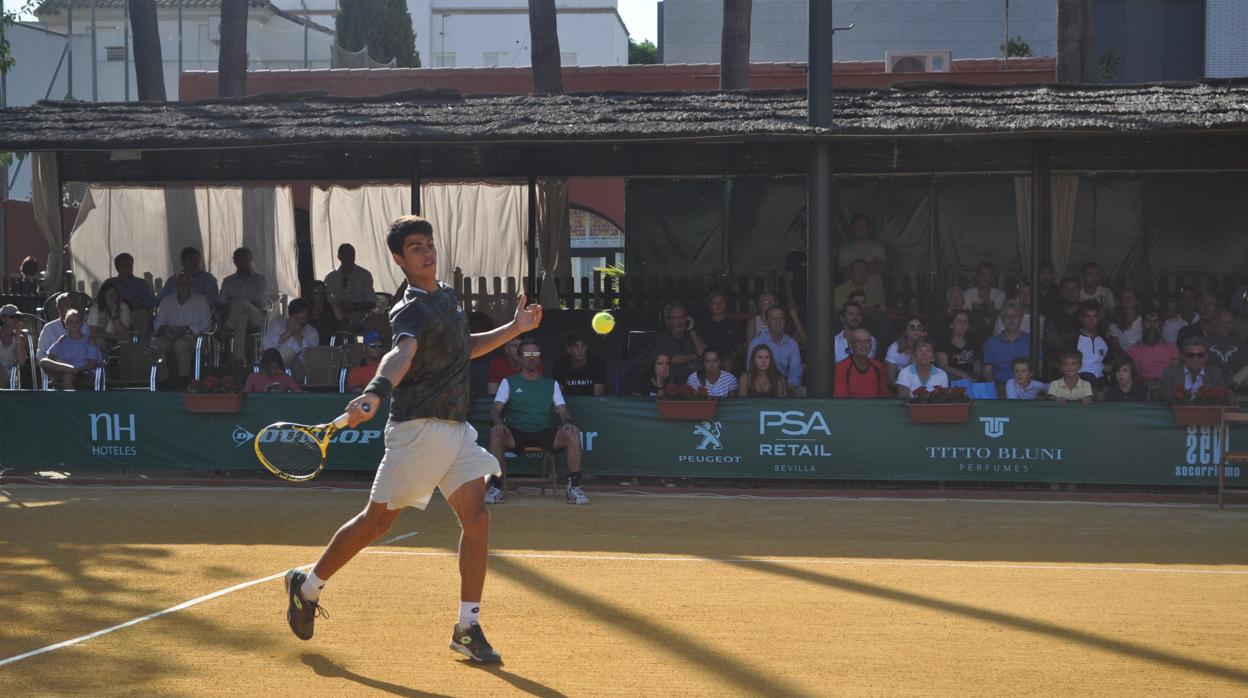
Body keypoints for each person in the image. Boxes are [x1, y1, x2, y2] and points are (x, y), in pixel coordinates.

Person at [282, 215, 544, 665]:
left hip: (456, 430)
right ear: (399, 259)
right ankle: (307, 588)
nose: (427, 252)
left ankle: (467, 628)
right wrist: (375, 391)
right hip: (417, 430)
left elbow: (465, 346)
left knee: (477, 518)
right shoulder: (409, 309)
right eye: (416, 247)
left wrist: (514, 330)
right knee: (376, 523)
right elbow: (400, 355)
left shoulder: (447, 297)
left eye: (429, 243)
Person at [487, 337, 588, 506]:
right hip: (516, 432)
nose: (532, 358)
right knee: (496, 434)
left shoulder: (551, 384)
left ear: (540, 357)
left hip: (545, 431)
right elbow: (495, 410)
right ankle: (496, 488)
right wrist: (498, 424)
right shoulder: (508, 382)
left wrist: (568, 422)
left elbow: (563, 410)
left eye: (535, 354)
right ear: (520, 358)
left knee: (572, 434)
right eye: (527, 355)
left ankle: (574, 488)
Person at [152, 272, 212, 385]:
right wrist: (165, 329)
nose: (185, 286)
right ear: (176, 285)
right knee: (155, 345)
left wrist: (186, 329)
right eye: (182, 283)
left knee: (180, 343)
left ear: (192, 285)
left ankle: (183, 379)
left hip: (193, 337)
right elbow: (158, 322)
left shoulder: (201, 300)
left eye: (188, 283)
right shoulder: (167, 301)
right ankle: (164, 380)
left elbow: (206, 325)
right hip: (170, 335)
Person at [218, 247, 268, 366]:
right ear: (235, 261)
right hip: (237, 318)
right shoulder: (228, 281)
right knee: (242, 318)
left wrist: (238, 305)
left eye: (247, 259)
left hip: (256, 316)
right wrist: (237, 307)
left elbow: (260, 302)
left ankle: (225, 331)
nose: (244, 262)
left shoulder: (259, 279)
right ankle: (239, 360)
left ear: (251, 260)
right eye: (240, 259)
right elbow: (222, 303)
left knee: (240, 302)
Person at [39, 309, 102, 390]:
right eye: (71, 321)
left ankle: (70, 398)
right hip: (62, 370)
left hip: (81, 372)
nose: (74, 324)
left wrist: (78, 370)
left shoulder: (89, 340)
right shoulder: (63, 339)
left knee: (67, 376)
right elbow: (50, 356)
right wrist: (59, 366)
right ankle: (70, 370)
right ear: (66, 324)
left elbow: (92, 363)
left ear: (81, 323)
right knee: (43, 361)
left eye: (77, 321)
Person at [836, 213, 887, 306]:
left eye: (864, 226)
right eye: (858, 226)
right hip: (853, 298)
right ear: (852, 229)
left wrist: (857, 269)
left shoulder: (878, 246)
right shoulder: (845, 249)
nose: (861, 229)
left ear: (868, 228)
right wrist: (872, 266)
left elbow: (882, 267)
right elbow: (845, 272)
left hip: (875, 296)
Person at [747, 305, 803, 390]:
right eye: (773, 319)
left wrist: (789, 386)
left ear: (785, 321)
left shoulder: (792, 344)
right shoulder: (756, 342)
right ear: (767, 322)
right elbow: (750, 369)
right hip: (760, 388)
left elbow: (795, 370)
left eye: (780, 318)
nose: (778, 322)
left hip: (785, 387)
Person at [324, 243, 376, 333]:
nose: (349, 257)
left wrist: (354, 306)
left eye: (351, 254)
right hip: (337, 321)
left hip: (361, 320)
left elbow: (372, 302)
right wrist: (338, 306)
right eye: (345, 254)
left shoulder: (364, 275)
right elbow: (325, 301)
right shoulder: (330, 277)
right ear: (339, 257)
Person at [106, 252, 157, 344]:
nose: (128, 267)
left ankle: (141, 347)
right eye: (124, 265)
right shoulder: (110, 283)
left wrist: (139, 304)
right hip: (114, 312)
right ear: (117, 267)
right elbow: (99, 300)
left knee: (144, 316)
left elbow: (152, 301)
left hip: (136, 312)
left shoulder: (141, 283)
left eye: (130, 264)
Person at [1128, 310, 1180, 398]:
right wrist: (1146, 382)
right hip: (1144, 389)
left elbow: (1176, 373)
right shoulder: (1134, 350)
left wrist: (1161, 382)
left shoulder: (1172, 348)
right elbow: (1134, 375)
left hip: (1167, 390)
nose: (1152, 325)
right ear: (1142, 324)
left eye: (1155, 321)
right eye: (1148, 321)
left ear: (1161, 325)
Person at [654, 302, 706, 385]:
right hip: (673, 381)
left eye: (682, 317)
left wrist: (691, 330)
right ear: (669, 321)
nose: (680, 321)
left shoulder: (693, 334)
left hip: (695, 380)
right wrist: (694, 356)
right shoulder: (662, 337)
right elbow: (670, 360)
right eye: (675, 318)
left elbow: (704, 354)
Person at [1160, 336, 1227, 400]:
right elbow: (1167, 399)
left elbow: (1220, 399)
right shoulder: (1170, 372)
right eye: (1190, 355)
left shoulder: (1215, 373)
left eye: (1200, 355)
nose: (1195, 359)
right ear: (1183, 356)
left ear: (1206, 356)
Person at [982, 301, 1031, 385]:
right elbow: (988, 373)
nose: (1011, 320)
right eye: (1007, 316)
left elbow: (1038, 371)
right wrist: (998, 389)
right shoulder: (991, 342)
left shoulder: (1031, 340)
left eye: (1015, 315)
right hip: (999, 389)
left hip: (1026, 389)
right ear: (1001, 319)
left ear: (1021, 318)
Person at [262, 298, 319, 366]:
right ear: (290, 316)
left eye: (304, 318)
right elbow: (267, 348)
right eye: (297, 318)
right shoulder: (277, 326)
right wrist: (289, 333)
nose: (301, 321)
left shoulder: (312, 332)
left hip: (300, 368)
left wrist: (298, 334)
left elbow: (310, 357)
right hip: (277, 367)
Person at [834, 328, 889, 398]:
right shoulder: (841, 368)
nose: (863, 345)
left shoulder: (879, 367)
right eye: (858, 341)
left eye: (867, 341)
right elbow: (841, 401)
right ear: (851, 345)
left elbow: (884, 399)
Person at [698, 291, 743, 371]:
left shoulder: (733, 324)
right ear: (710, 306)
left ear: (725, 306)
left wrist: (734, 357)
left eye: (721, 302)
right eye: (715, 303)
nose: (718, 305)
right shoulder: (704, 325)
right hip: (710, 359)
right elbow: (702, 347)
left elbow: (740, 346)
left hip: (729, 360)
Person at [553, 330, 607, 396]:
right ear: (569, 350)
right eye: (575, 346)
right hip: (567, 402)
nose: (580, 350)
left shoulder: (598, 364)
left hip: (591, 402)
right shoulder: (560, 366)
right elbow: (558, 396)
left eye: (583, 345)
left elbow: (597, 397)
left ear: (587, 347)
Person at [36, 293, 86, 363]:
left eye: (72, 305)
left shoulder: (84, 326)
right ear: (58, 307)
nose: (70, 308)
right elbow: (41, 355)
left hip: (80, 364)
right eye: (66, 305)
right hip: (58, 366)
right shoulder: (49, 329)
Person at [86, 280, 133, 353]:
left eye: (114, 294)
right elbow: (93, 332)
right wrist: (114, 337)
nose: (112, 297)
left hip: (117, 340)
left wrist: (115, 316)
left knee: (125, 341)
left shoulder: (123, 307)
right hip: (102, 338)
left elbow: (124, 333)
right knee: (93, 340)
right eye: (109, 295)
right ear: (103, 296)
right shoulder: (96, 308)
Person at [1068, 301, 1109, 384]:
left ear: (1098, 318)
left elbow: (1107, 363)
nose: (1091, 320)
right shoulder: (1073, 340)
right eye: (1088, 316)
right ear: (1081, 318)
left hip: (1100, 382)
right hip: (1080, 382)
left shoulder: (1103, 340)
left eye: (1095, 316)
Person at [936, 309, 981, 383]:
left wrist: (977, 363)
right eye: (958, 321)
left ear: (968, 326)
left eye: (965, 321)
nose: (962, 325)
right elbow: (943, 366)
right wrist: (962, 374)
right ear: (951, 325)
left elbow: (977, 359)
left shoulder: (973, 342)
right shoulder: (943, 343)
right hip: (951, 380)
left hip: (971, 379)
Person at [884, 316, 926, 386]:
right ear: (905, 331)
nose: (916, 330)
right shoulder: (894, 348)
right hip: (899, 387)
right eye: (912, 328)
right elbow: (891, 380)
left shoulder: (926, 346)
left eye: (919, 328)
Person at [1207, 309, 1248, 380]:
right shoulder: (1204, 343)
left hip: (1236, 382)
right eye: (1222, 321)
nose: (1225, 326)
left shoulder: (1240, 344)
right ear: (1215, 322)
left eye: (1229, 322)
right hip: (1212, 382)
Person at [1107, 286, 1142, 355]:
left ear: (1136, 300)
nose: (1128, 299)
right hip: (1123, 359)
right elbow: (1116, 348)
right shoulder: (1114, 323)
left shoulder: (1143, 321)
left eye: (1131, 297)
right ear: (1121, 301)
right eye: (1125, 297)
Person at [0, 304, 29, 381]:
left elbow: (21, 361)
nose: (16, 319)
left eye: (18, 317)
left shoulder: (20, 338)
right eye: (12, 316)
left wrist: (18, 335)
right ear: (3, 318)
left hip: (12, 375)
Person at [304, 280, 337, 346]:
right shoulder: (304, 306)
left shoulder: (330, 307)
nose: (319, 295)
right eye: (316, 292)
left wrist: (331, 299)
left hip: (328, 344)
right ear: (310, 293)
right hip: (309, 343)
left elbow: (340, 317)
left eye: (323, 293)